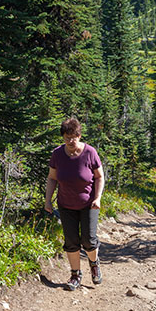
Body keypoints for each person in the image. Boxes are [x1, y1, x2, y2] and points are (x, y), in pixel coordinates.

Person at [44, 117, 105, 290]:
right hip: (66, 204)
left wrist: (98, 197)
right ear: (63, 137)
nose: (70, 141)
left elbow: (99, 177)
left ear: (79, 135)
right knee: (71, 241)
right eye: (66, 137)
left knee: (89, 240)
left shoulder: (90, 152)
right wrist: (48, 200)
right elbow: (52, 178)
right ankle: (75, 274)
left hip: (89, 204)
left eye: (73, 137)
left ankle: (94, 263)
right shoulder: (57, 154)